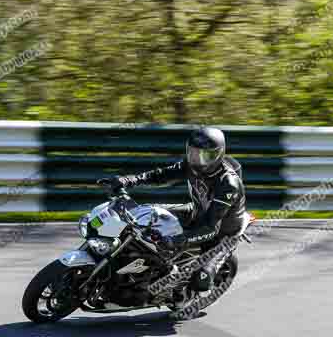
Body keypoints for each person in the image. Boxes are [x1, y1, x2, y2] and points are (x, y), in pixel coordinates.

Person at [102, 127, 247, 307]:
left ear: (218, 155)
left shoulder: (228, 184)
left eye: (205, 156)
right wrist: (130, 180)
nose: (197, 160)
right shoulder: (190, 165)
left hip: (222, 235)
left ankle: (183, 296)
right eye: (193, 153)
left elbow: (211, 227)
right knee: (148, 216)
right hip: (197, 211)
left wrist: (179, 239)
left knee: (201, 279)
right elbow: (161, 175)